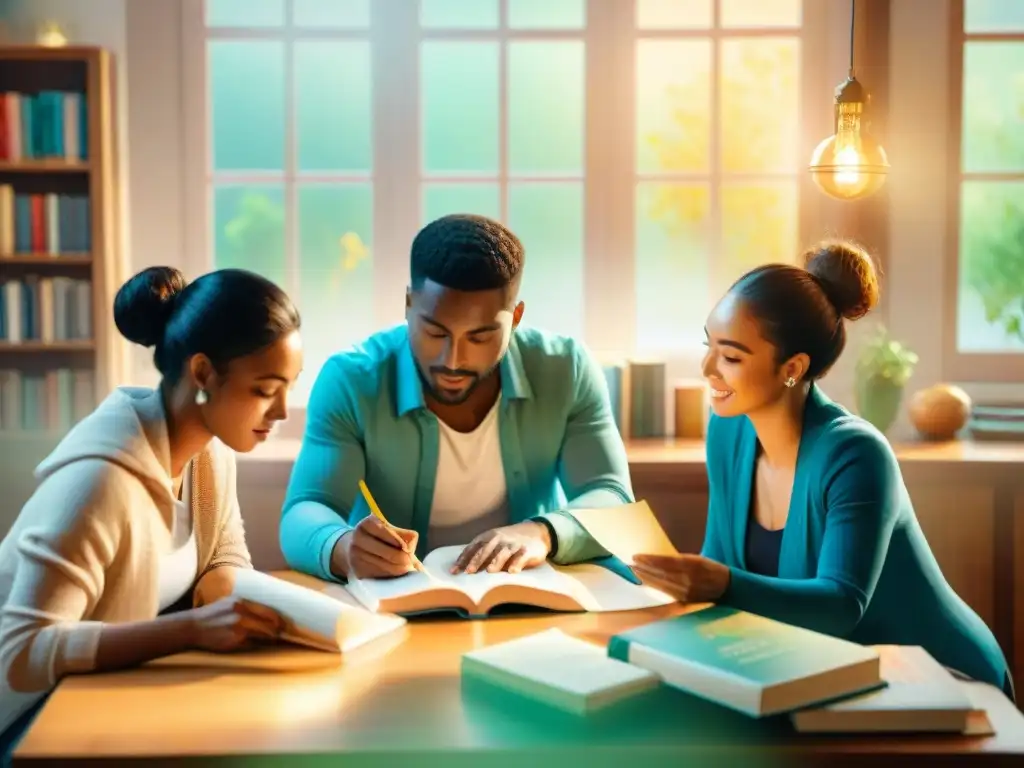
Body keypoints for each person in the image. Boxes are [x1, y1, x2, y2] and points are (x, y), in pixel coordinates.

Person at [631, 240, 1013, 700]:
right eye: (707, 345)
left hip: (942, 680)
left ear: (792, 368)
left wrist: (721, 585)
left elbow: (840, 604)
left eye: (731, 357)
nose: (707, 368)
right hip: (834, 673)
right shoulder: (727, 432)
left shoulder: (855, 454)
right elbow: (717, 564)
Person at [0, 266, 304, 756]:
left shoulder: (210, 450)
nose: (283, 411)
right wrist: (190, 630)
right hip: (28, 724)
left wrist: (266, 615)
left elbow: (223, 557)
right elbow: (21, 653)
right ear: (203, 373)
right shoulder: (98, 482)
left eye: (289, 387)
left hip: (104, 703)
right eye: (266, 390)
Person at [280, 213, 631, 582]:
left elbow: (611, 496)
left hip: (532, 600)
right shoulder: (351, 379)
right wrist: (342, 547)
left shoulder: (566, 368)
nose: (453, 359)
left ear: (516, 317)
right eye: (434, 332)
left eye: (480, 338)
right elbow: (306, 508)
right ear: (408, 304)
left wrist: (542, 532)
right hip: (398, 604)